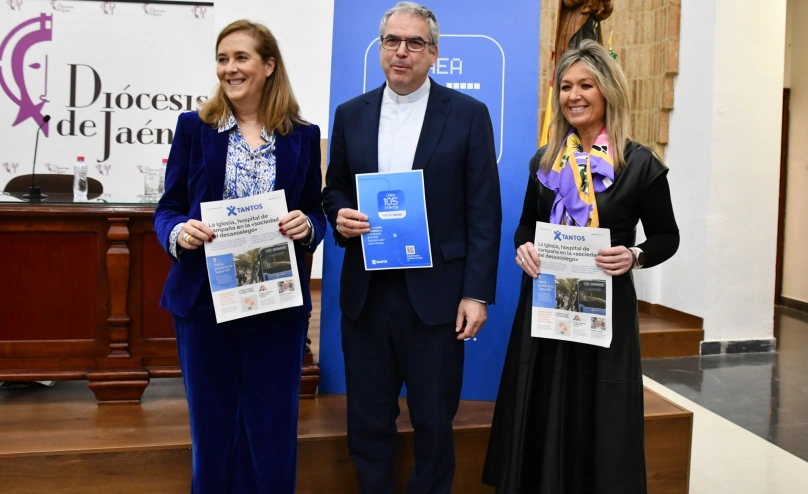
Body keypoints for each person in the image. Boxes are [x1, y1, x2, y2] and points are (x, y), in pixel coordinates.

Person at [482, 39, 680, 493]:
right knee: (542, 399)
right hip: (546, 304)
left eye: (586, 85)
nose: (574, 95)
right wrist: (524, 248)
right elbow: (525, 227)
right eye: (566, 86)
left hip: (605, 308)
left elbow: (667, 236)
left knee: (598, 408)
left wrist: (635, 255)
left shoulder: (638, 164)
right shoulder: (545, 161)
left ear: (607, 90)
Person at [322, 2, 502, 492]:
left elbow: (484, 211)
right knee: (367, 419)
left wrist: (476, 294)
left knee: (434, 420)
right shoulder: (350, 114)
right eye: (392, 41)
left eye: (415, 43)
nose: (402, 52)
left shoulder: (468, 115)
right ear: (381, 48)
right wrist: (340, 215)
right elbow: (334, 189)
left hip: (437, 297)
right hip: (367, 295)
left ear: (434, 53)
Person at [153, 20, 324, 493]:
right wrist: (179, 231)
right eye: (222, 58)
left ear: (268, 66)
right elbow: (167, 208)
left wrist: (308, 225)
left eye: (241, 57)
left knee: (272, 429)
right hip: (204, 302)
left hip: (276, 299)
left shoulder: (302, 135)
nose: (230, 68)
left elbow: (314, 209)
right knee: (212, 430)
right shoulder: (194, 128)